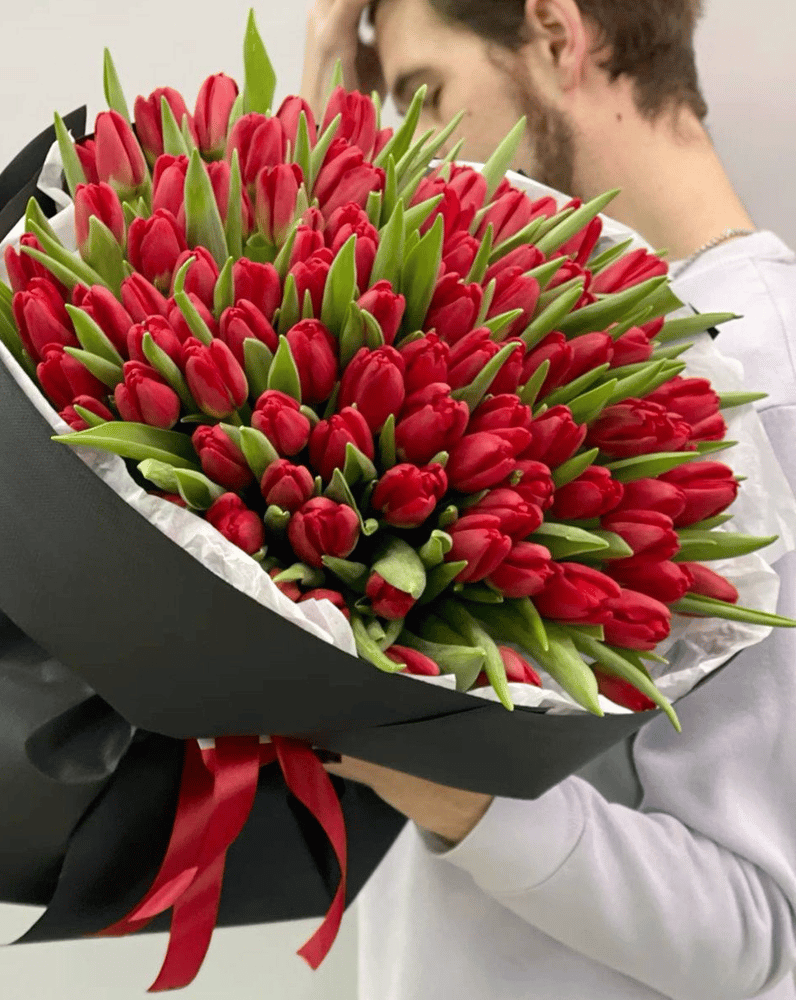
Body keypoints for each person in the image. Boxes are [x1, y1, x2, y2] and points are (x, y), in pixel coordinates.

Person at [302, 1, 796, 998]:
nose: (418, 151)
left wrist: (456, 794)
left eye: (425, 95)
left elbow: (762, 932)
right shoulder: (527, 357)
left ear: (557, 34)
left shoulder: (755, 374)